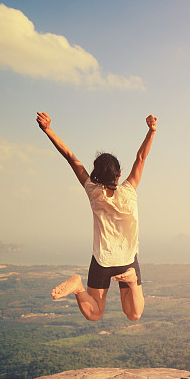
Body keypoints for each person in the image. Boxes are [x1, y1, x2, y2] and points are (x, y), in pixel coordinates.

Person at [37, 111, 157, 321]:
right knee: (134, 314)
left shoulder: (94, 192)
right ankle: (132, 282)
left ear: (96, 175)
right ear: (119, 174)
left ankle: (77, 288)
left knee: (94, 314)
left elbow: (71, 158)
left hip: (102, 260)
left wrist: (48, 130)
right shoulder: (129, 190)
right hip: (127, 260)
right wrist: (151, 131)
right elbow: (141, 157)